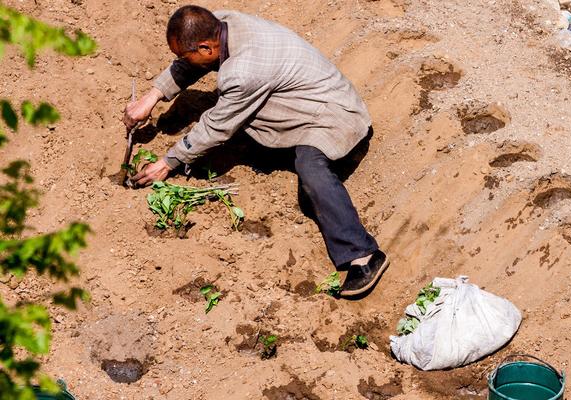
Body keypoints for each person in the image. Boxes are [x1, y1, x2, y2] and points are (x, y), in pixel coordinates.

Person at [123, 6, 389, 297]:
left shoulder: (244, 70)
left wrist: (167, 162)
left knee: (310, 169)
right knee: (244, 125)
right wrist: (151, 98)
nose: (182, 62)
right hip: (304, 98)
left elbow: (215, 127)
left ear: (206, 47)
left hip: (333, 115)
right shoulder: (221, 24)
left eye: (185, 56)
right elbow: (189, 63)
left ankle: (362, 255)